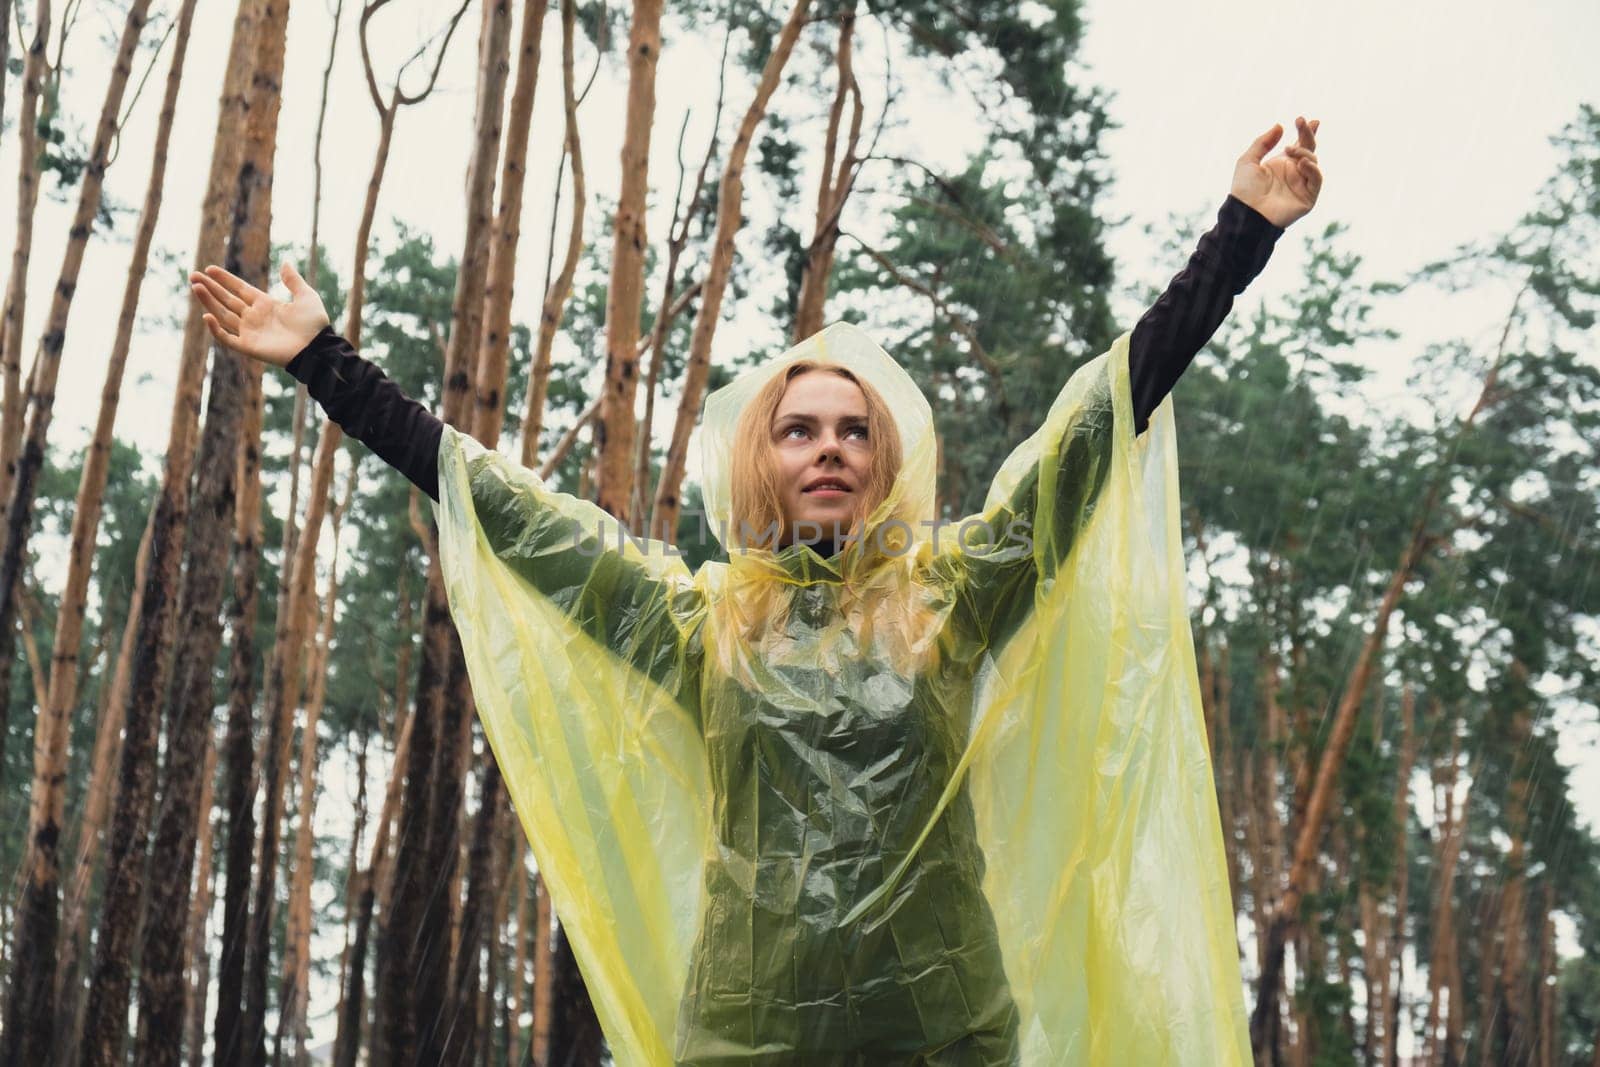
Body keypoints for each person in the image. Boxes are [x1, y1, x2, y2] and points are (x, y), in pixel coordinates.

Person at [191, 118, 1321, 1065]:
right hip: (746, 1037)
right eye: (797, 430)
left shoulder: (955, 593)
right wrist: (323, 363)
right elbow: (510, 515)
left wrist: (1239, 235)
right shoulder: (700, 621)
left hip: (943, 1032)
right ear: (759, 458)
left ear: (884, 461)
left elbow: (1090, 429)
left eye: (851, 430)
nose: (826, 449)